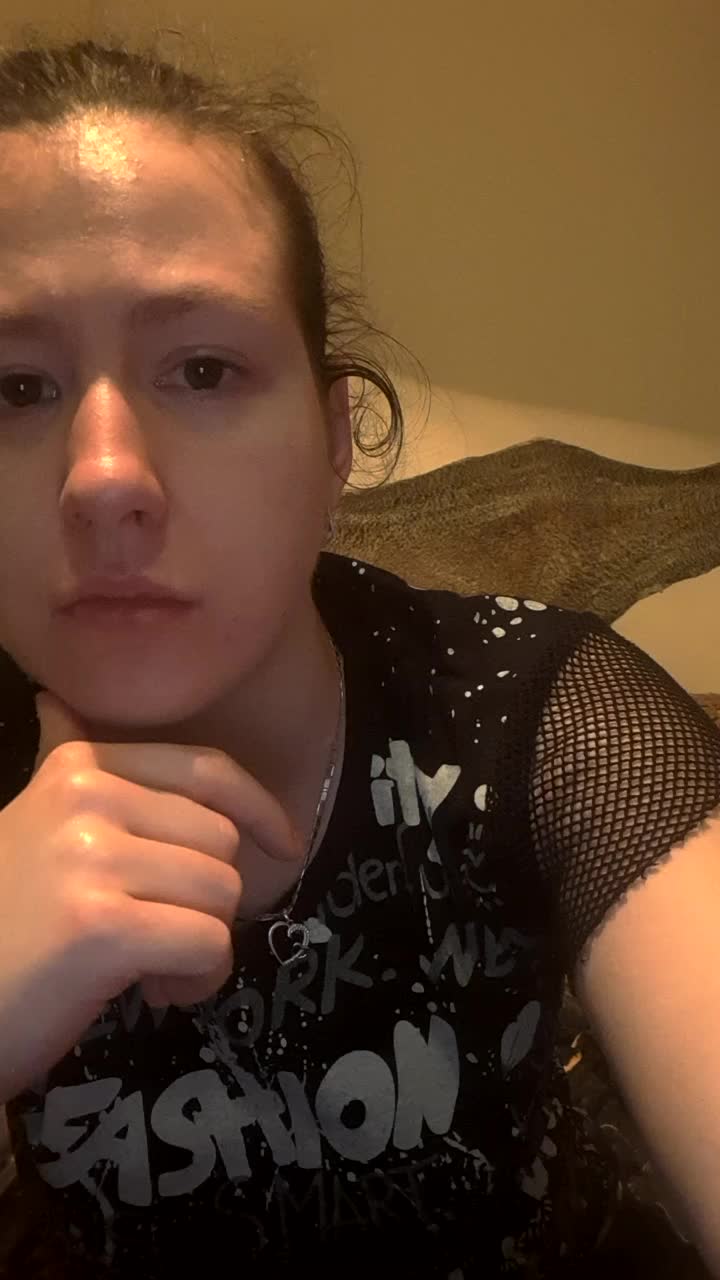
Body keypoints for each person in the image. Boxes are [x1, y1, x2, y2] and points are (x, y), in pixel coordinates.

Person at [0, 27, 718, 1280]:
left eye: (203, 367)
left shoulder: (542, 714)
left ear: (336, 438)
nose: (106, 475)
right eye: (11, 388)